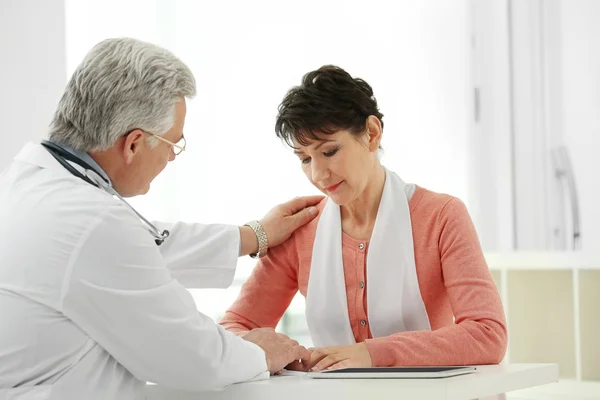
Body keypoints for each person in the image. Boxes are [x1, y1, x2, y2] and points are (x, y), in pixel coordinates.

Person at [0, 38, 322, 399]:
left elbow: (139, 247)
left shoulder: (34, 181)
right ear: (134, 143)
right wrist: (261, 352)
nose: (171, 158)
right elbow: (193, 358)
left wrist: (254, 235)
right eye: (173, 143)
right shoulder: (92, 223)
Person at [220, 65, 508, 372]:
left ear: (371, 133)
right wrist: (279, 353)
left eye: (329, 151)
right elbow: (234, 328)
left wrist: (371, 354)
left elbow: (487, 334)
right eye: (305, 159)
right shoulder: (301, 230)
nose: (317, 174)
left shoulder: (441, 216)